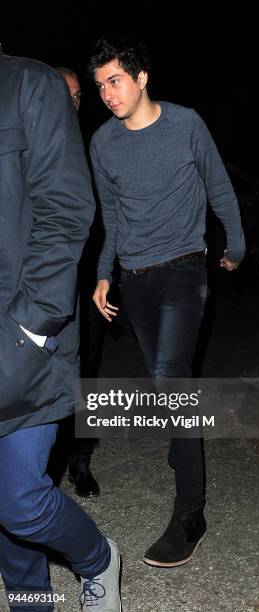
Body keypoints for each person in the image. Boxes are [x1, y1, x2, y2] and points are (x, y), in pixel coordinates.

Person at [89, 33, 246, 569]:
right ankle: (184, 449)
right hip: (134, 279)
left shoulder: (186, 124)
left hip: (183, 268)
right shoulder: (102, 144)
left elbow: (219, 187)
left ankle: (190, 514)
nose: (108, 94)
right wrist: (104, 273)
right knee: (165, 385)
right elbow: (110, 218)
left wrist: (237, 246)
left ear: (141, 78)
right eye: (100, 86)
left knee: (170, 379)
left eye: (115, 81)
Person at [0, 47, 121, 611]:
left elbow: (74, 209)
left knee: (22, 498)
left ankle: (98, 558)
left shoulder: (30, 87)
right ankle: (28, 594)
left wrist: (34, 326)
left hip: (32, 322)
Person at [54, 65, 102, 498]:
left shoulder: (91, 144)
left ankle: (79, 461)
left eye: (77, 94)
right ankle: (43, 466)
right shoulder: (34, 140)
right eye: (64, 91)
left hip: (86, 283)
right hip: (44, 284)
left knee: (86, 373)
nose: (73, 100)